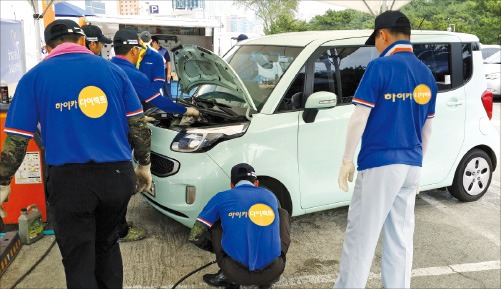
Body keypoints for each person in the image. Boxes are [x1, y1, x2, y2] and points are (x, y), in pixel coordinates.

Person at [0, 19, 152, 288]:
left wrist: (2, 182)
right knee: (107, 245)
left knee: (79, 256)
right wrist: (144, 165)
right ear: (83, 41)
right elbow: (138, 125)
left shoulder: (34, 78)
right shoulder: (115, 73)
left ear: (47, 47)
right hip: (116, 177)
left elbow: (16, 141)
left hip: (70, 183)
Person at [335, 10, 437, 289]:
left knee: (361, 237)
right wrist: (418, 164)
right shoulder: (425, 72)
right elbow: (427, 128)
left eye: (376, 41)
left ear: (383, 35)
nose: (376, 47)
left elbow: (359, 117)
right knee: (400, 240)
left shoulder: (379, 67)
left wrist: (347, 160)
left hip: (380, 163)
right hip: (411, 165)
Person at [189, 163, 291, 289]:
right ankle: (268, 280)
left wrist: (217, 251)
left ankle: (227, 277)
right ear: (257, 183)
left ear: (232, 185)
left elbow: (195, 235)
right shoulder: (270, 195)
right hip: (274, 269)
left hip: (235, 273)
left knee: (215, 221)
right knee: (282, 214)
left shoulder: (221, 197)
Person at [138, 31, 166, 95]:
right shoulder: (155, 52)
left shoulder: (134, 52)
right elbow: (163, 61)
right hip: (152, 92)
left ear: (140, 40)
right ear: (150, 41)